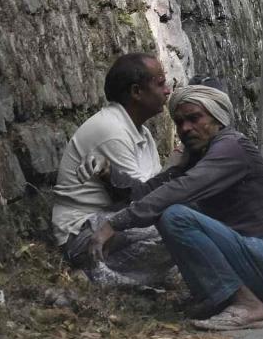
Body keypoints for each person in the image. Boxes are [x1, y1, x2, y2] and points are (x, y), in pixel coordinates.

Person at [87, 84, 263, 332]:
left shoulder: (232, 148)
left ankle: (247, 304)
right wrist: (112, 176)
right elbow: (150, 192)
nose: (186, 128)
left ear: (218, 117)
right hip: (256, 269)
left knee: (175, 216)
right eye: (180, 122)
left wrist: (115, 223)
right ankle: (223, 298)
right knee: (168, 211)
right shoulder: (199, 156)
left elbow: (180, 189)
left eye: (195, 118)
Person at [51, 52, 175, 287]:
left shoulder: (142, 133)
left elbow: (155, 190)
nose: (167, 91)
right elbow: (145, 198)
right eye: (160, 84)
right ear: (137, 92)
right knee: (176, 227)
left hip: (110, 224)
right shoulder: (112, 130)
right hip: (82, 233)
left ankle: (111, 276)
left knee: (182, 228)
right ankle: (96, 275)